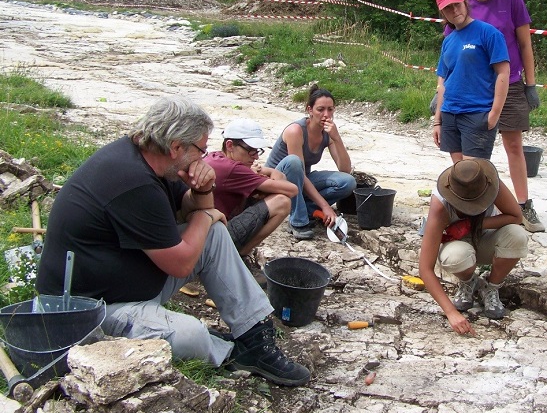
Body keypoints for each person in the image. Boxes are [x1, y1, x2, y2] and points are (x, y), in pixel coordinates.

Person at [36, 97, 311, 386]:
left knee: (214, 235)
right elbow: (181, 263)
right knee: (190, 334)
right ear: (176, 147)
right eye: (201, 150)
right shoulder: (133, 181)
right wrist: (206, 215)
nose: (203, 159)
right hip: (90, 312)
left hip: (130, 283)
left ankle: (255, 336)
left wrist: (203, 188)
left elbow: (189, 206)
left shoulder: (153, 160)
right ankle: (230, 352)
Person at [463, 0, 545, 233]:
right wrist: (444, 88)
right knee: (473, 151)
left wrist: (530, 84)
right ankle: (475, 202)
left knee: (514, 145)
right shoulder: (463, 5)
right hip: (475, 86)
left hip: (509, 82)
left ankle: (523, 204)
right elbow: (453, 49)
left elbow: (524, 43)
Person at [418, 158, 527, 333]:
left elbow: (516, 216)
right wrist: (451, 312)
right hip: (459, 245)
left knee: (517, 236)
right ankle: (468, 282)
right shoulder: (440, 205)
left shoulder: (490, 183)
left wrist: (471, 225)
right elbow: (425, 268)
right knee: (455, 257)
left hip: (486, 238)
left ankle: (490, 287)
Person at [265, 84, 356, 240]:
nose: (326, 115)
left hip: (301, 181)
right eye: (320, 110)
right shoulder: (296, 131)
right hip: (279, 182)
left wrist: (336, 138)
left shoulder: (327, 133)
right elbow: (297, 171)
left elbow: (345, 169)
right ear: (310, 110)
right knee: (294, 163)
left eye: (330, 109)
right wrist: (325, 206)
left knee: (348, 182)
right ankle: (297, 221)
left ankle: (305, 208)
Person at [432, 0, 510, 163]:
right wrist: (437, 121)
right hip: (450, 112)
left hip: (477, 113)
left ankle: (510, 193)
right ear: (442, 12)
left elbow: (503, 73)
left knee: (474, 174)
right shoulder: (448, 41)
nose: (454, 11)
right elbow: (443, 81)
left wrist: (495, 114)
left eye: (457, 4)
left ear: (465, 3)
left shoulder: (488, 33)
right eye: (448, 8)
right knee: (461, 176)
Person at [205, 118, 298, 259]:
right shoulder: (233, 169)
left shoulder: (217, 158)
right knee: (281, 202)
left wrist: (262, 174)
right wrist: (271, 174)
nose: (255, 157)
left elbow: (277, 179)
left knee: (265, 194)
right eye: (250, 151)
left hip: (208, 232)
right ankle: (239, 255)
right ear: (230, 145)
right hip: (214, 239)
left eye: (257, 151)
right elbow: (291, 189)